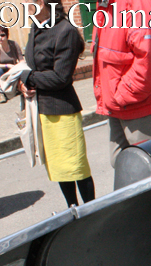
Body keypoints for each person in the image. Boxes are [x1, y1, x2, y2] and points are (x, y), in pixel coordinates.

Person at [19, 0, 95, 208]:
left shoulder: (65, 30)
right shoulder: (36, 27)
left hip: (63, 111)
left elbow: (61, 77)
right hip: (42, 110)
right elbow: (30, 66)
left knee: (77, 168)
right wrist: (23, 83)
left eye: (27, 1)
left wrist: (29, 78)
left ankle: (92, 211)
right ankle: (72, 209)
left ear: (42, 3)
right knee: (60, 169)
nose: (23, 5)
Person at [92, 0, 151, 168]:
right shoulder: (106, 5)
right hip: (116, 105)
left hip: (138, 105)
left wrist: (121, 94)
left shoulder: (137, 3)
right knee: (123, 168)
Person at [0, 26, 24, 103]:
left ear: (7, 35)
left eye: (2, 35)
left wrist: (18, 65)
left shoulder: (14, 44)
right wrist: (7, 65)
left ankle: (21, 88)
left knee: (23, 68)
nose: (0, 38)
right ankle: (0, 93)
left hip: (12, 69)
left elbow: (21, 60)